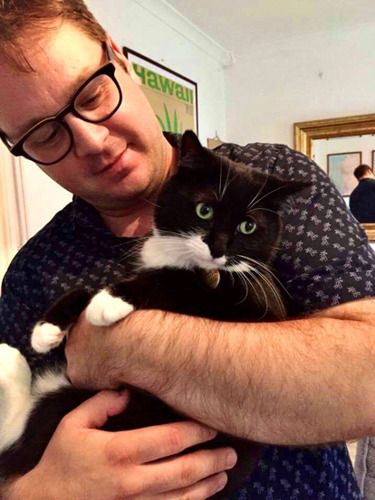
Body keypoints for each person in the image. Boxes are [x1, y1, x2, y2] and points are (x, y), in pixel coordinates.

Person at [0, 1, 375, 498]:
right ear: (16, 145)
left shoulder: (267, 185)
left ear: (120, 58)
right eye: (45, 133)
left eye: (91, 95)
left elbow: (366, 381)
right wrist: (36, 491)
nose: (91, 141)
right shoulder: (34, 268)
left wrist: (125, 345)